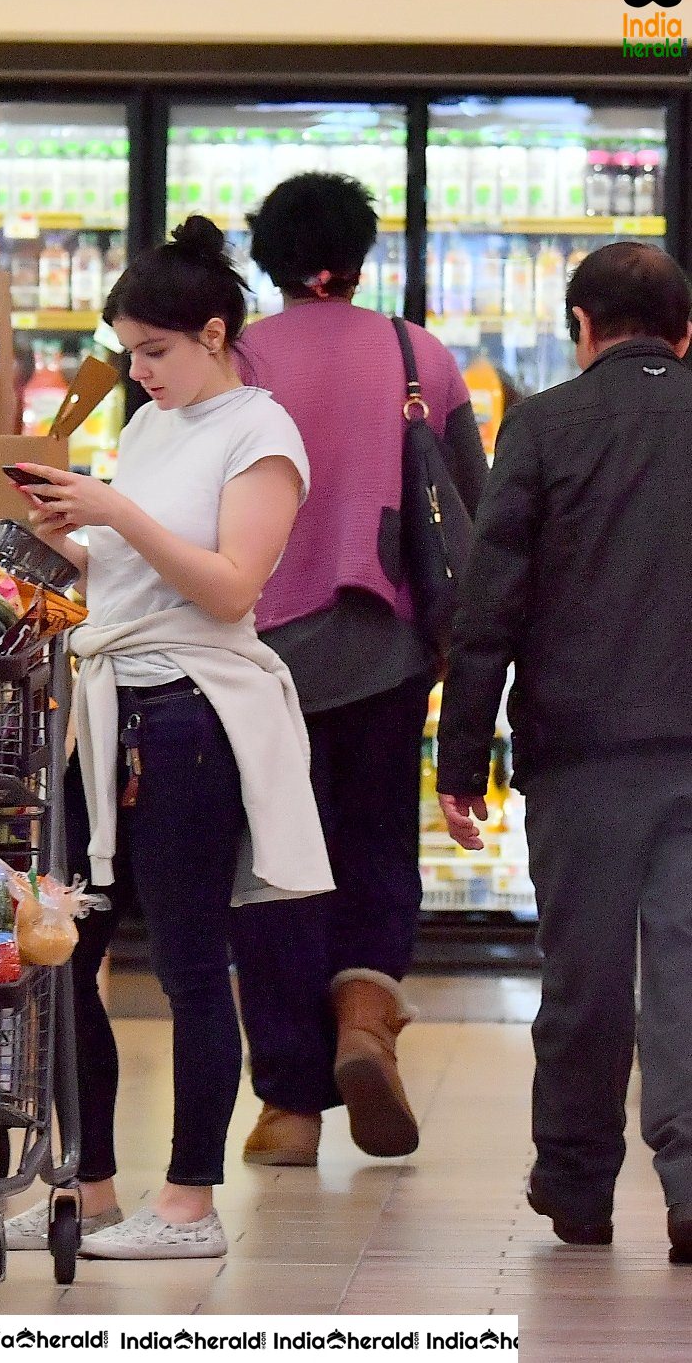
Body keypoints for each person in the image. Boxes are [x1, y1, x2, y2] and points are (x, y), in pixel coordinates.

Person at [3, 217, 333, 1260]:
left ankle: (190, 1199)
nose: (138, 371)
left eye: (155, 350)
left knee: (191, 964)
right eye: (128, 350)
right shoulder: (151, 427)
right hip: (107, 708)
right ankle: (90, 1184)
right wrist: (71, 535)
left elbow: (232, 585)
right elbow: (133, 572)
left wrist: (115, 512)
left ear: (215, 332)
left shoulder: (262, 432)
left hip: (194, 713)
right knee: (64, 952)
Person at [436, 242, 692, 1264]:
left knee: (583, 973)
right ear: (683, 331)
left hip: (583, 754)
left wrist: (462, 763)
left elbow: (489, 608)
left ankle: (578, 1185)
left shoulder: (543, 426)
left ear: (582, 326)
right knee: (688, 963)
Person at [227, 174, 487, 1169]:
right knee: (377, 843)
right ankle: (367, 1018)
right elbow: (475, 505)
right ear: (366, 251)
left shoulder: (236, 358)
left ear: (269, 255)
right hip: (385, 650)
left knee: (274, 871)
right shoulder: (417, 351)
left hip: (254, 652)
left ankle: (289, 1108)